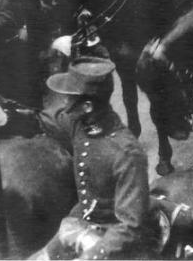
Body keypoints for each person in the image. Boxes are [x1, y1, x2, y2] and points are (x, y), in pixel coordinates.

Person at [31, 56, 151, 260]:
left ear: (87, 107)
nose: (64, 103)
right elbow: (49, 120)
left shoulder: (126, 153)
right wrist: (7, 115)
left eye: (69, 98)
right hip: (81, 223)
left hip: (116, 242)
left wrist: (91, 256)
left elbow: (131, 226)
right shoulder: (81, 123)